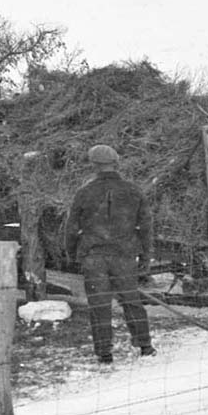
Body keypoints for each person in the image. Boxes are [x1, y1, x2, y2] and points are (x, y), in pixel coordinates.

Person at [64, 144, 156, 363]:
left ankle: (104, 354)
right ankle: (145, 347)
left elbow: (71, 228)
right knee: (131, 300)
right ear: (116, 163)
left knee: (99, 305)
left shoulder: (84, 193)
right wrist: (145, 256)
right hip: (124, 256)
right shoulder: (133, 190)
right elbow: (146, 226)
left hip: (94, 258)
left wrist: (72, 254)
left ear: (94, 166)